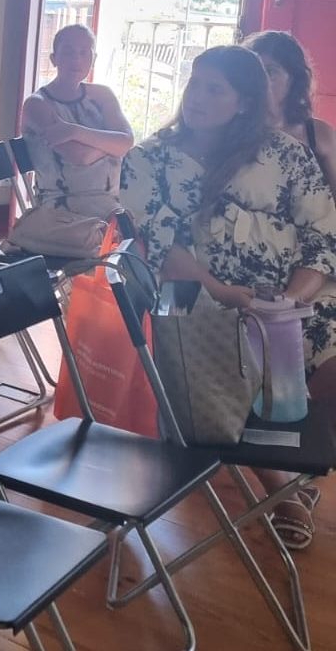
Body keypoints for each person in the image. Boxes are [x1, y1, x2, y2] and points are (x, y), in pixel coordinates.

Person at [121, 45, 336, 548]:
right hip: (192, 293)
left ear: (244, 102)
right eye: (194, 84)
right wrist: (222, 292)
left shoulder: (285, 154)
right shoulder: (149, 160)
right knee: (226, 359)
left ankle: (293, 451)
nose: (196, 97)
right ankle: (280, 485)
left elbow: (323, 231)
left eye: (214, 89)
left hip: (290, 296)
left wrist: (290, 300)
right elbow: (160, 246)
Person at [10, 23, 134, 257]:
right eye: (68, 52)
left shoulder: (102, 95)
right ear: (54, 58)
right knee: (131, 238)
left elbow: (127, 141)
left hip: (110, 203)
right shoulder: (37, 104)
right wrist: (110, 144)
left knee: (153, 229)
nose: (76, 59)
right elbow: (80, 156)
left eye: (84, 52)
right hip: (63, 211)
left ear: (93, 58)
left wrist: (75, 131)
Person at [244, 30, 336, 190]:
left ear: (293, 79)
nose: (261, 81)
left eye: (270, 72)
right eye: (255, 72)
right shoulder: (232, 128)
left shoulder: (319, 134)